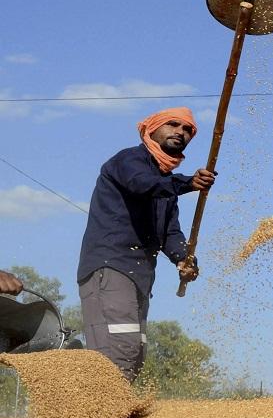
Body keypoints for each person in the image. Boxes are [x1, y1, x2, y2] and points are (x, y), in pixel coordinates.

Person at [77, 107, 215, 383]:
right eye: (173, 124)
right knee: (118, 352)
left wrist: (184, 259)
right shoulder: (129, 160)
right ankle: (92, 405)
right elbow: (142, 184)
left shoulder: (165, 184)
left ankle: (113, 406)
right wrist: (188, 183)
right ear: (152, 129)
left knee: (134, 356)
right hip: (111, 267)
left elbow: (170, 233)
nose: (181, 132)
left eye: (188, 129)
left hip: (140, 276)